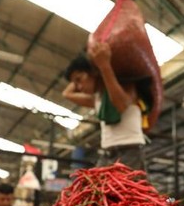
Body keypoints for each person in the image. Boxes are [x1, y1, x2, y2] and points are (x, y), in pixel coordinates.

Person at [62, 41, 147, 170]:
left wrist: (103, 66)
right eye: (75, 83)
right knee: (95, 189)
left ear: (93, 72)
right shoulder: (97, 98)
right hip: (107, 154)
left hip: (130, 152)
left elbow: (120, 105)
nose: (78, 87)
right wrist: (88, 66)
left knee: (126, 189)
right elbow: (66, 94)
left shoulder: (128, 87)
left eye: (79, 80)